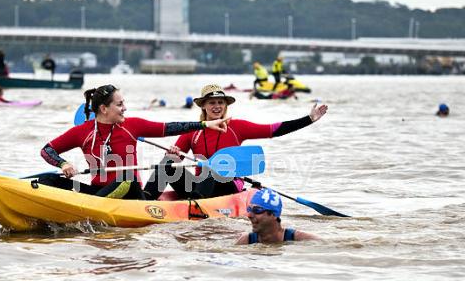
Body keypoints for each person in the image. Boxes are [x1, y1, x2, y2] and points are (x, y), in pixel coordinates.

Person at [39, 84, 229, 200]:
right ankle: (81, 206)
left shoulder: (133, 126)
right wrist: (63, 164)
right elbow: (47, 150)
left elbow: (171, 127)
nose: (125, 108)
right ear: (104, 109)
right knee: (47, 180)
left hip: (130, 193)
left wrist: (205, 124)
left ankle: (88, 209)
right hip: (97, 192)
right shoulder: (82, 132)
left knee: (127, 179)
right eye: (120, 104)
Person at [142, 84, 328, 200]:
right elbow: (175, 160)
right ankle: (145, 200)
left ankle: (197, 207)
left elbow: (274, 130)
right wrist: (171, 154)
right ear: (204, 106)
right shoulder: (194, 130)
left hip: (228, 185)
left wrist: (308, 119)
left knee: (212, 169)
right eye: (212, 103)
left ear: (226, 106)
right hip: (200, 186)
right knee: (167, 164)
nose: (216, 107)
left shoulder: (237, 127)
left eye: (220, 103)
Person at [236, 188, 319, 244]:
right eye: (249, 209)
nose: (249, 215)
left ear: (274, 214)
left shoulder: (301, 239)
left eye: (257, 210)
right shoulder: (246, 240)